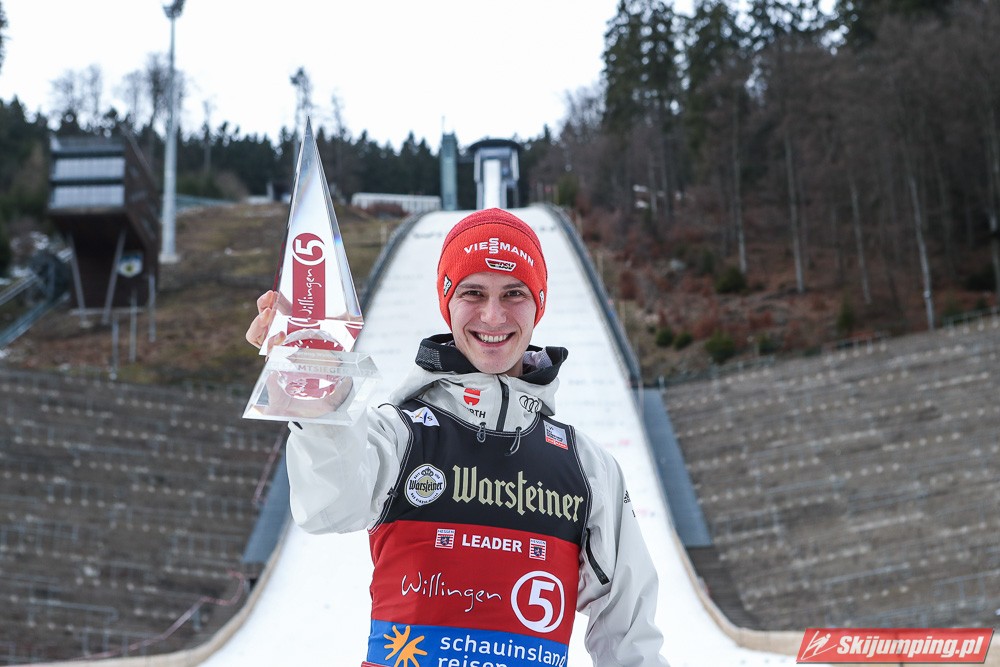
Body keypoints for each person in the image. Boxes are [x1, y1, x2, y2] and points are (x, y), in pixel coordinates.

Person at [246, 208, 668, 667]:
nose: (493, 315)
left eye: (514, 293)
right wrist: (316, 387)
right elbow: (328, 505)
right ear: (447, 301)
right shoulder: (401, 434)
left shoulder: (586, 467)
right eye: (473, 292)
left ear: (539, 303)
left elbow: (629, 635)